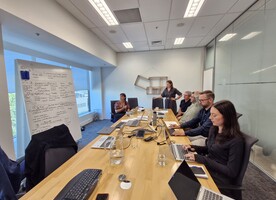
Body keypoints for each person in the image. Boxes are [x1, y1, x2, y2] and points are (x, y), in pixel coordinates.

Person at [184, 100, 244, 197]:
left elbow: (231, 172)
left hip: (219, 178)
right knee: (181, 174)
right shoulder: (214, 129)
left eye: (214, 115)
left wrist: (202, 159)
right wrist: (193, 148)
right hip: (208, 169)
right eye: (210, 114)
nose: (210, 118)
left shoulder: (236, 140)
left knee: (186, 186)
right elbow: (209, 149)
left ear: (227, 117)